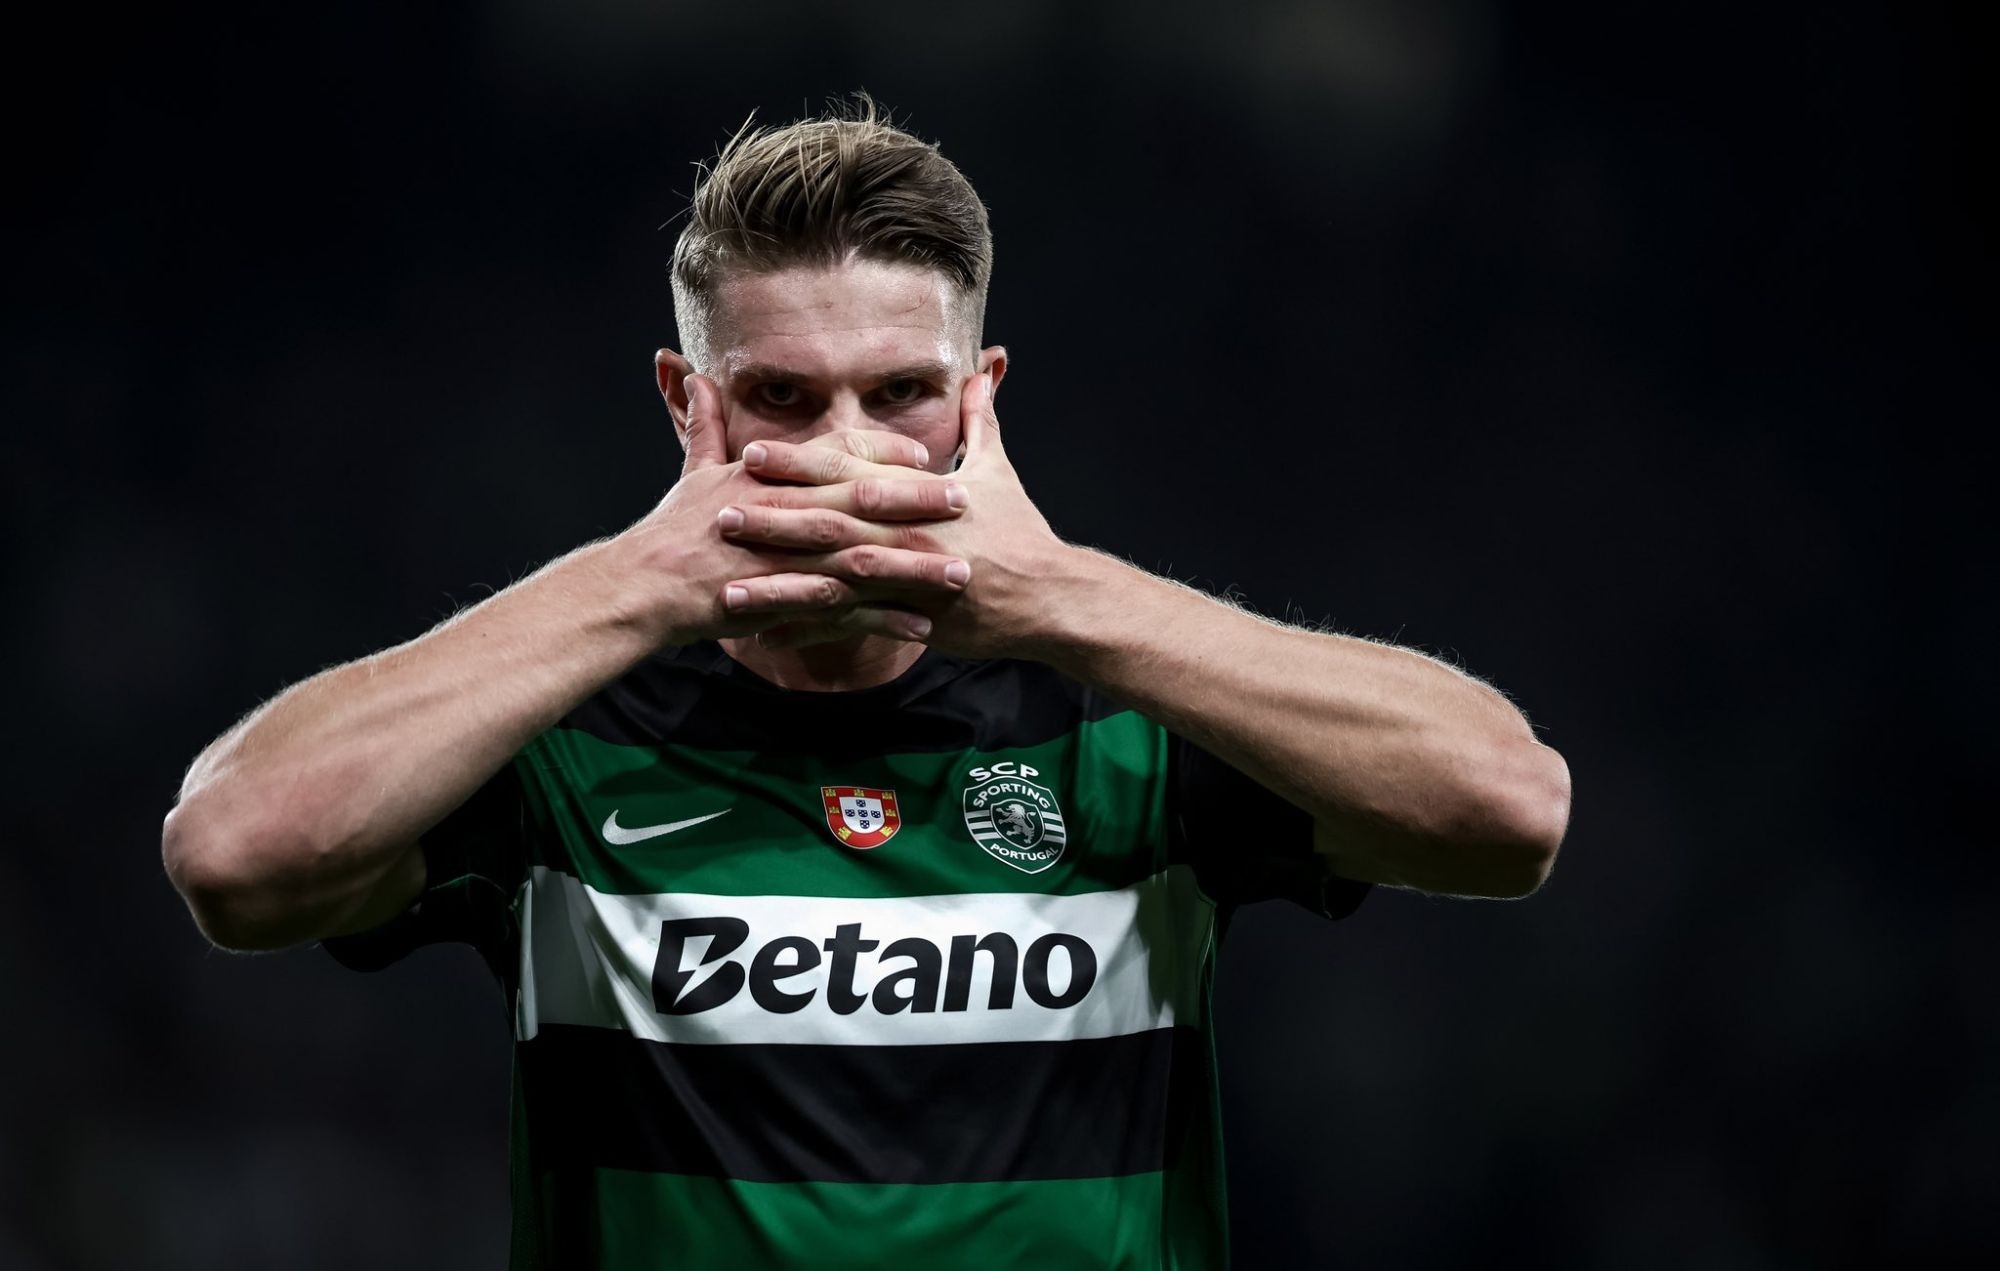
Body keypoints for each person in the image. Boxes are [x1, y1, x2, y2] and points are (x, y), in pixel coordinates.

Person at [162, 99, 1572, 1270]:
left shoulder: (1133, 720)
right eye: (782, 397)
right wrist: (637, 582)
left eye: (900, 392)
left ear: (979, 398)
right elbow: (235, 857)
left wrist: (1064, 596)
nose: (846, 449)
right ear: (687, 402)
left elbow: (1508, 811)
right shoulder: (562, 737)